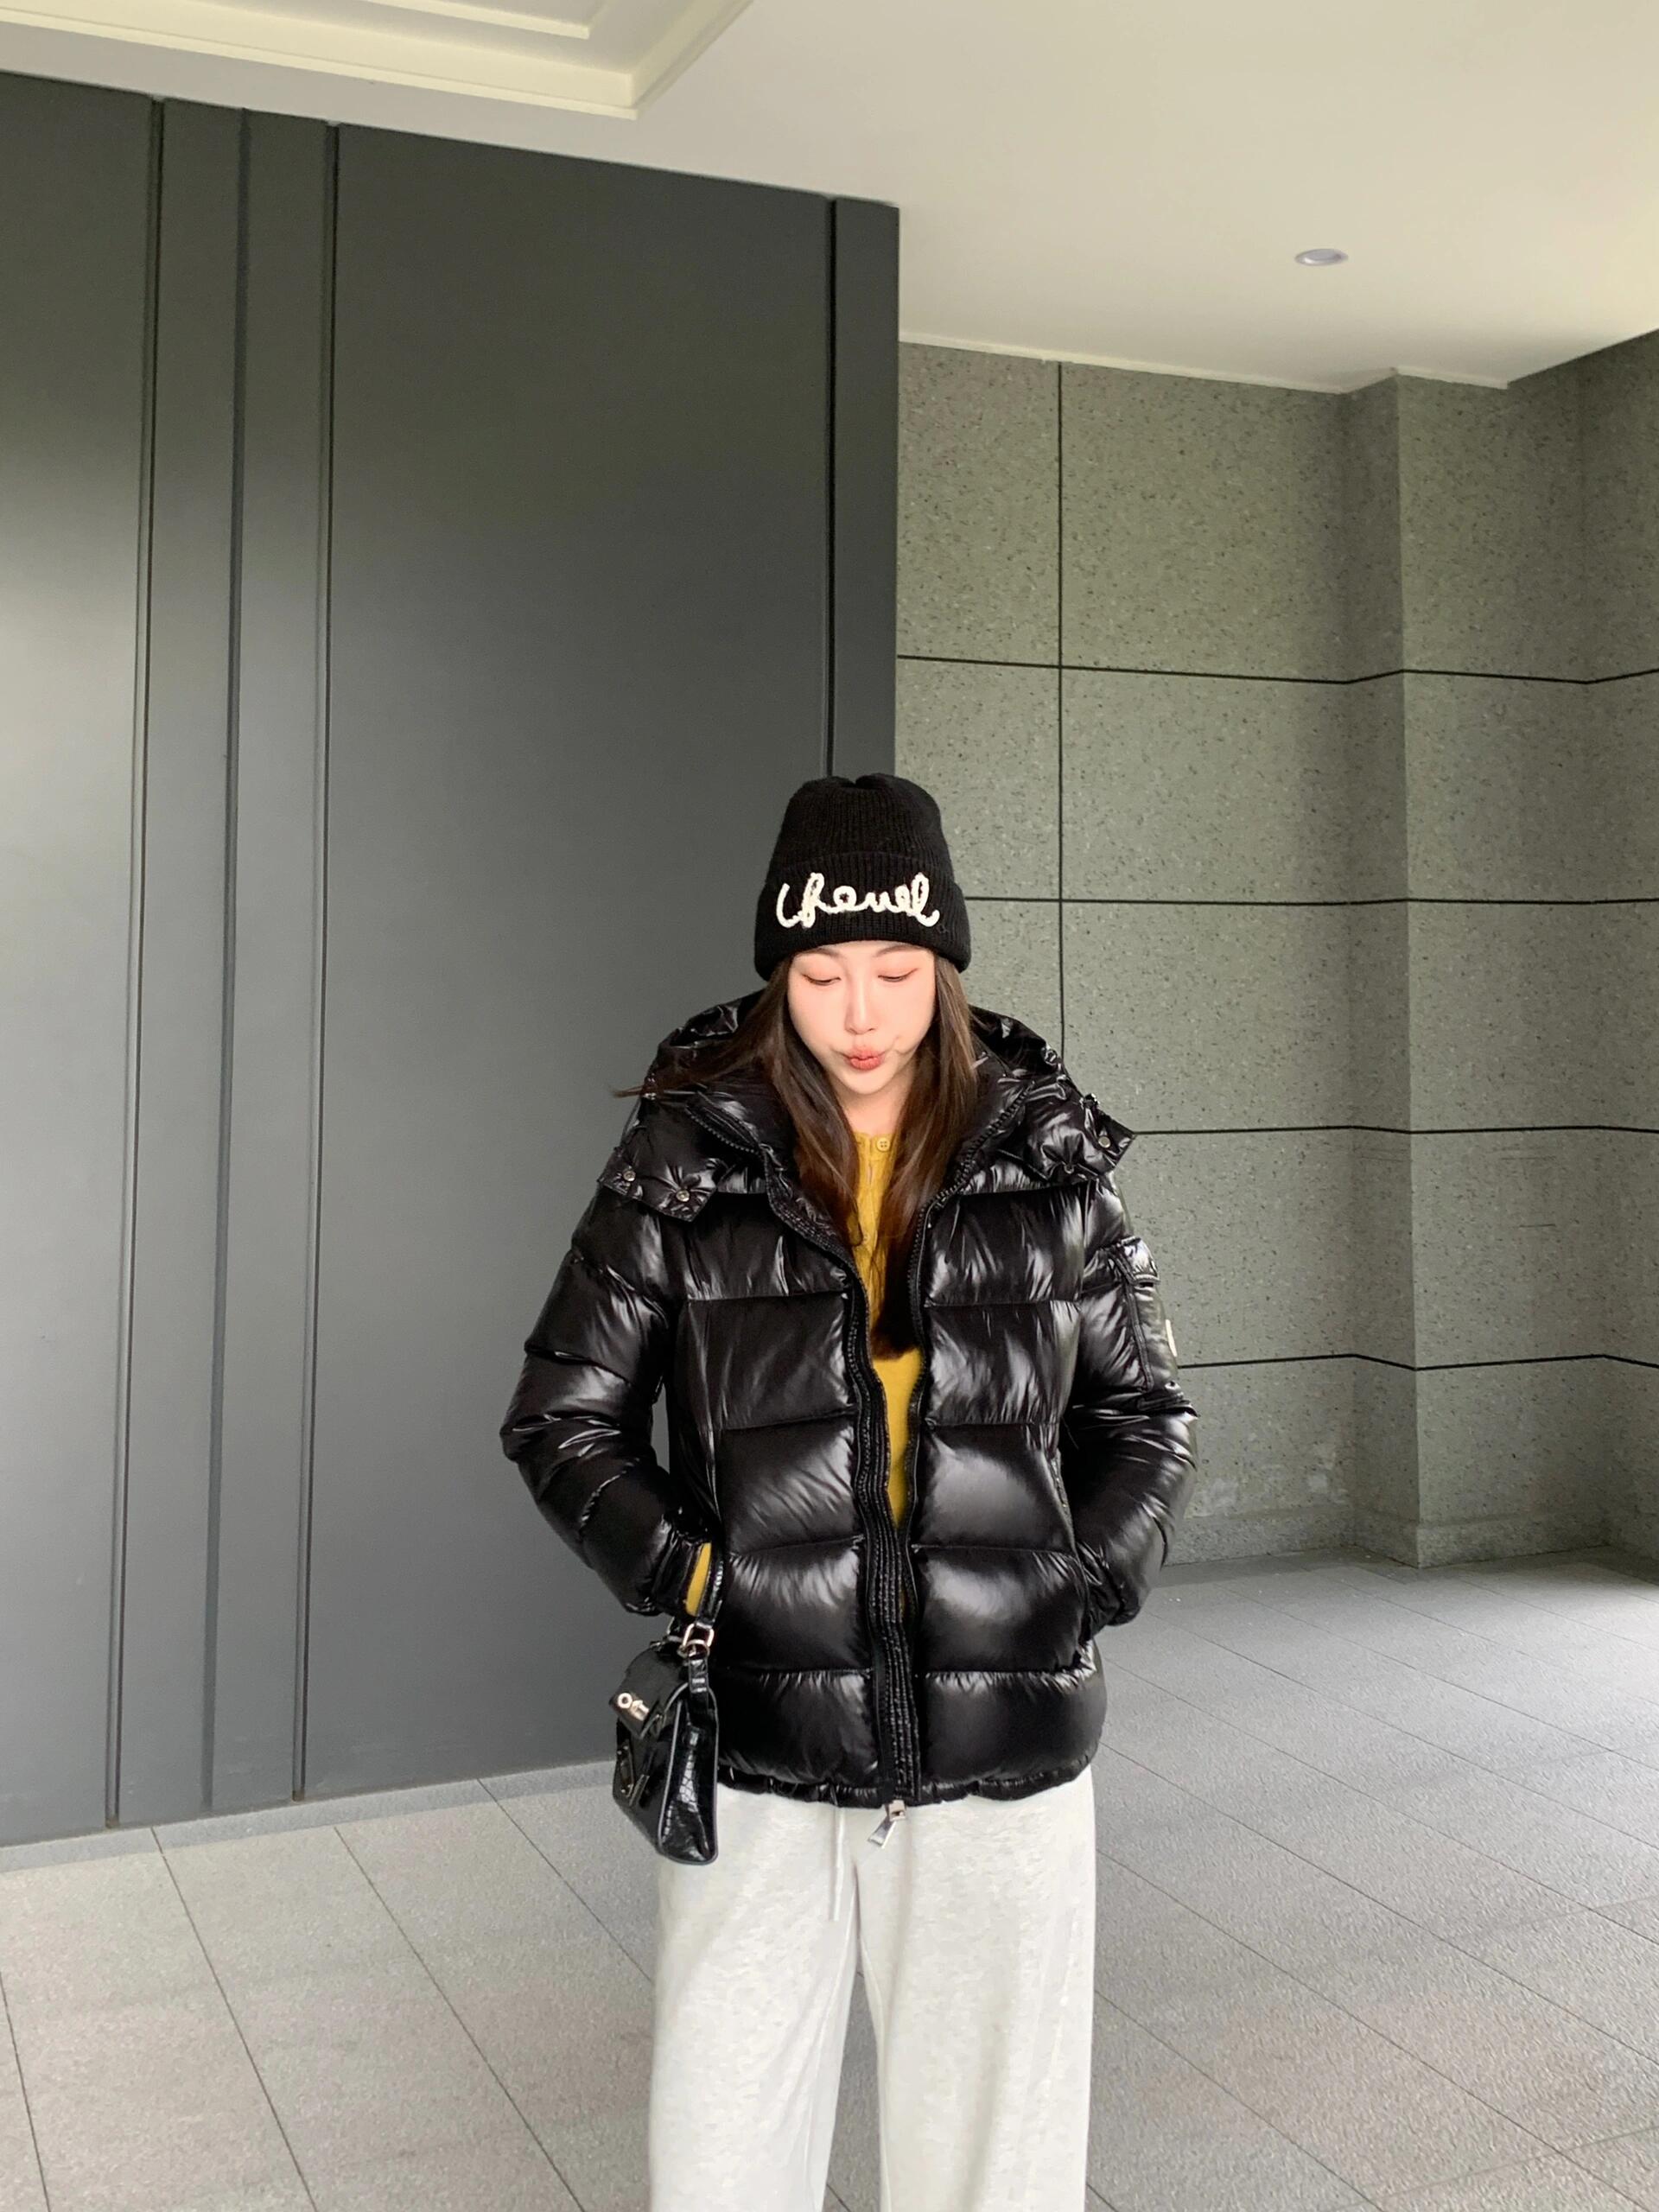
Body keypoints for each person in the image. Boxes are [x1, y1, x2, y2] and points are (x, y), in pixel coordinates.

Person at [499, 772, 1199, 2212]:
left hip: (1001, 1736)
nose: (861, 1014)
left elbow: (1145, 1415)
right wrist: (705, 1582)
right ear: (780, 975)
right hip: (762, 1737)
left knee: (996, 2170)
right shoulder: (688, 1155)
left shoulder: (1047, 1152)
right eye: (821, 976)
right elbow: (562, 1419)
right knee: (724, 2159)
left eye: (896, 970)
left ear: (945, 964)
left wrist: (1074, 1587)